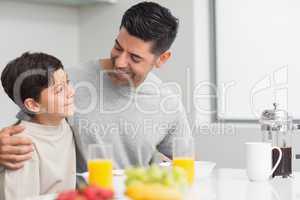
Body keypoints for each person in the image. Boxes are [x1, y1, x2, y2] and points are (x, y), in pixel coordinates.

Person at [0, 1, 191, 172]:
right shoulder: (67, 83)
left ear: (162, 58)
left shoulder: (168, 102)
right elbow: (23, 133)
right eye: (118, 47)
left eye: (135, 57)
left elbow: (185, 163)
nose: (120, 63)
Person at [0, 52, 76, 199]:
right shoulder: (21, 146)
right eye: (59, 90)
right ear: (33, 105)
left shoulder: (63, 122)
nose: (71, 92)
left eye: (67, 82)